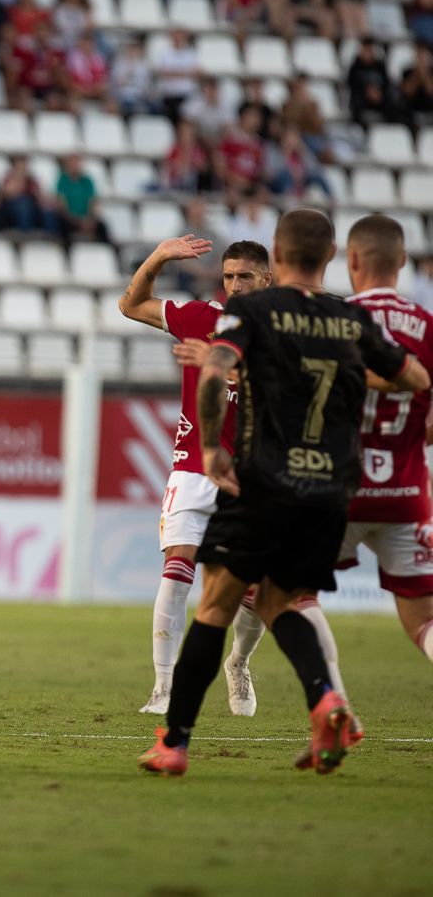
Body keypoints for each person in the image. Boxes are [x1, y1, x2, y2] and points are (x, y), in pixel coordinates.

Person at [139, 209, 430, 777]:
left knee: (217, 606)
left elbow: (217, 366)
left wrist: (217, 445)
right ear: (331, 259)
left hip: (266, 478)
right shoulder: (349, 321)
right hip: (328, 487)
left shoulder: (252, 312)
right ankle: (325, 700)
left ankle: (174, 742)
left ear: (277, 254)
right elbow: (413, 378)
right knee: (280, 600)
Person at [119, 236, 278, 716]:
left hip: (254, 473)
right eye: (227, 276)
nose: (233, 285)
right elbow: (131, 305)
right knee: (177, 571)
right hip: (194, 465)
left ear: (266, 279)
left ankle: (239, 662)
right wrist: (159, 257)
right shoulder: (202, 318)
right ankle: (163, 688)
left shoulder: (282, 333)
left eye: (244, 276)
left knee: (254, 590)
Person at [338, 215, 433, 669]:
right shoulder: (428, 326)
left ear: (351, 259)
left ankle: (328, 699)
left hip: (339, 491)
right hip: (407, 494)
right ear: (401, 262)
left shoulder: (334, 320)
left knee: (283, 593)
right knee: (422, 618)